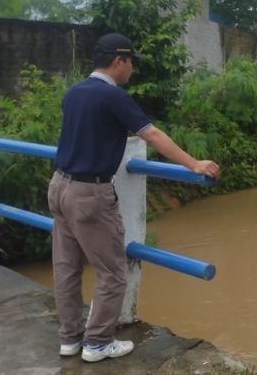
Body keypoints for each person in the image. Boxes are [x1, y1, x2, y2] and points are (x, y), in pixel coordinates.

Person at [47, 33, 220, 363]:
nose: (132, 71)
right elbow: (151, 134)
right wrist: (194, 163)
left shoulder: (75, 92)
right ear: (118, 61)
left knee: (66, 268)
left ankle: (69, 339)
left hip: (59, 186)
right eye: (131, 63)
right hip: (89, 193)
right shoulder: (113, 97)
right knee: (112, 271)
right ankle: (97, 343)